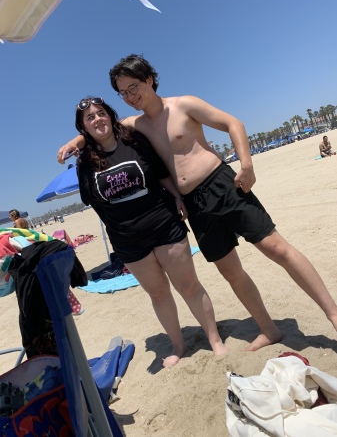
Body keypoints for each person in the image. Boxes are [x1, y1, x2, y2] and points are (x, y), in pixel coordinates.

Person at [58, 55, 337, 351]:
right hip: (194, 205)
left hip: (221, 184)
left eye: (133, 86)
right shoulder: (134, 125)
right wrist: (75, 143)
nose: (130, 96)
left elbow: (233, 123)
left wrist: (247, 164)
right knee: (230, 271)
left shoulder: (183, 105)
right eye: (123, 92)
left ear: (149, 79)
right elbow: (101, 127)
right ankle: (268, 329)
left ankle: (333, 314)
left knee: (277, 248)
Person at [71, 96, 229, 367]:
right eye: (90, 117)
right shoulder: (85, 161)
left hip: (164, 225)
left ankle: (214, 338)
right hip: (129, 242)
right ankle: (178, 345)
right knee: (158, 294)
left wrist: (177, 197)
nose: (97, 119)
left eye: (101, 113)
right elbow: (95, 203)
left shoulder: (134, 140)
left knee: (188, 285)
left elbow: (158, 173)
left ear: (110, 115)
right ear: (83, 127)